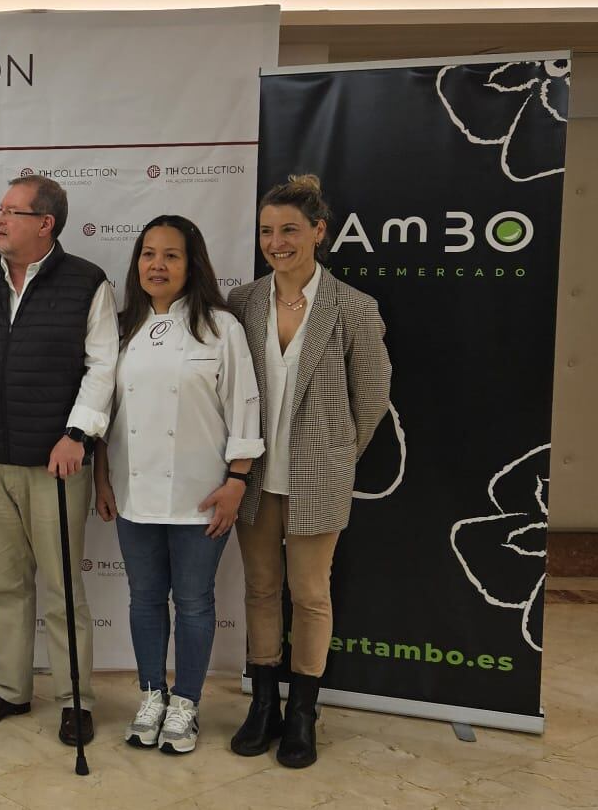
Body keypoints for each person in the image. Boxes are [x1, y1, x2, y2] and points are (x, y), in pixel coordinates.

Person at [0, 176, 118, 747]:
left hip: (57, 462)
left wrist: (77, 434)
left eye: (12, 212)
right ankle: (9, 690)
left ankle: (74, 698)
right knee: (5, 583)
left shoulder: (88, 282)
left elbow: (102, 368)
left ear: (46, 224)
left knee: (63, 586)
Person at [227, 175, 391, 768]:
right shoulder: (241, 303)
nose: (277, 241)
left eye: (289, 230)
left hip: (318, 478)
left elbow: (371, 397)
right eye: (268, 231)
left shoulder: (352, 307)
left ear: (318, 232)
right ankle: (263, 704)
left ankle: (303, 712)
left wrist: (337, 456)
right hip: (253, 477)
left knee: (311, 594)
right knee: (260, 589)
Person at [91, 215, 262, 756]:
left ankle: (185, 703)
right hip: (133, 489)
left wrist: (237, 480)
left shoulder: (220, 328)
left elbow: (245, 409)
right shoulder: (121, 329)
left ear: (193, 265)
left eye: (170, 255)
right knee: (144, 599)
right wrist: (103, 477)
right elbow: (105, 411)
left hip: (201, 492)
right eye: (147, 254)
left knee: (192, 601)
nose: (157, 265)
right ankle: (151, 694)